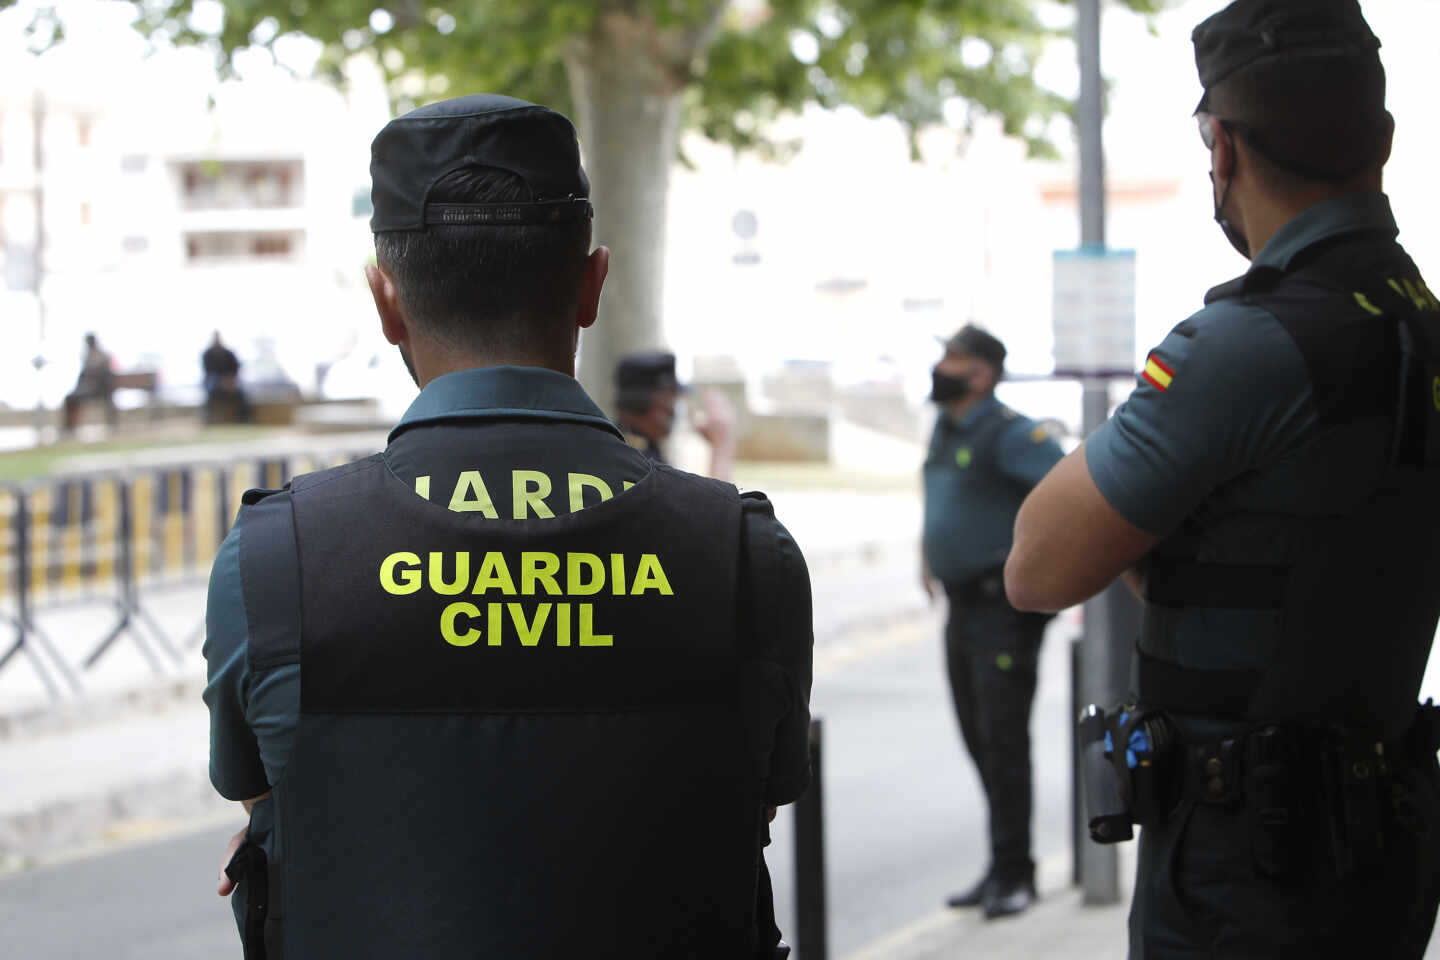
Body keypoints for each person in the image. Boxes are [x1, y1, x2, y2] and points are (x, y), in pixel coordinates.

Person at [202, 94, 813, 960]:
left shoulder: (278, 557)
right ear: (593, 283)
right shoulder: (744, 554)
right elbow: (750, 805)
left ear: (386, 303)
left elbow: (264, 799)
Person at [1005, 2, 1440, 957]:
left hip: (1247, 872)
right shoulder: (1418, 325)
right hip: (1387, 847)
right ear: (1384, 139)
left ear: (1223, 151)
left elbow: (1037, 567)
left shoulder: (1246, 345)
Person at [921, 324, 1064, 919]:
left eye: (953, 358)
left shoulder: (1008, 432)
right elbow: (938, 493)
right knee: (979, 737)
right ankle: (1001, 864)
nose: (942, 366)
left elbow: (1065, 489)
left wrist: (1026, 560)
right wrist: (927, 554)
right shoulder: (948, 425)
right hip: (961, 603)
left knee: (1003, 740)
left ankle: (1016, 873)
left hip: (1001, 609)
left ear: (982, 372)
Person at [614, 350, 737, 480]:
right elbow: (714, 500)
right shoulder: (641, 463)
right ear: (653, 403)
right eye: (672, 399)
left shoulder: (629, 445)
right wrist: (721, 447)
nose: (674, 409)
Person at [61, 332, 116, 432]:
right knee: (70, 398)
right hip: (93, 389)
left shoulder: (100, 356)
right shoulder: (89, 356)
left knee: (71, 398)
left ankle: (69, 428)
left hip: (98, 390)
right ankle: (69, 427)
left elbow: (99, 377)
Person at [201, 331, 251, 423]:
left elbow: (235, 369)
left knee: (241, 393)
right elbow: (208, 372)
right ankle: (207, 417)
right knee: (211, 387)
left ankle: (244, 418)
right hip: (214, 382)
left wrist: (229, 381)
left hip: (230, 382)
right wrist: (221, 381)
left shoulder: (229, 354)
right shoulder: (207, 354)